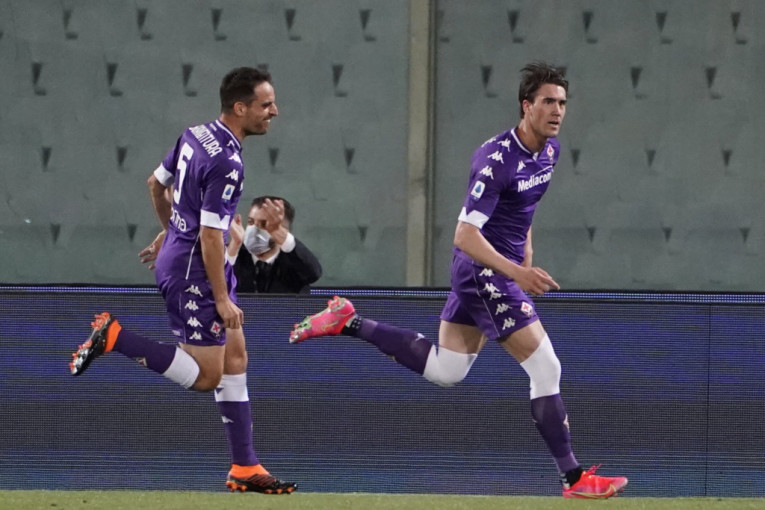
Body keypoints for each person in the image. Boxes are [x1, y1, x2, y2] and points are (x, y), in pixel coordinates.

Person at [289, 62, 628, 499]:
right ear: (526, 106)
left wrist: (525, 250)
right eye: (548, 101)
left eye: (562, 102)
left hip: (496, 269)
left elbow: (524, 207)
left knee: (447, 370)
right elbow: (464, 235)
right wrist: (517, 272)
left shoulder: (550, 151)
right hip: (483, 271)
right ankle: (574, 479)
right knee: (547, 368)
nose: (557, 110)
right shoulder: (496, 160)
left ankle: (348, 321)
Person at [69, 67, 296, 495]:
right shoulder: (228, 163)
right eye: (266, 104)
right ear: (240, 107)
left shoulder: (197, 134)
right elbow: (210, 236)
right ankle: (115, 337)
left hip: (195, 260)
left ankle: (245, 466)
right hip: (196, 274)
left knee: (235, 359)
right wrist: (221, 298)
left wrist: (173, 231)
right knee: (207, 377)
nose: (274, 111)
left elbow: (156, 184)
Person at [227, 196, 322, 294]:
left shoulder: (294, 261)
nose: (254, 229)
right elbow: (219, 283)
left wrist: (280, 234)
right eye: (251, 222)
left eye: (264, 224)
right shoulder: (234, 253)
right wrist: (234, 247)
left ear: (283, 229)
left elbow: (313, 273)